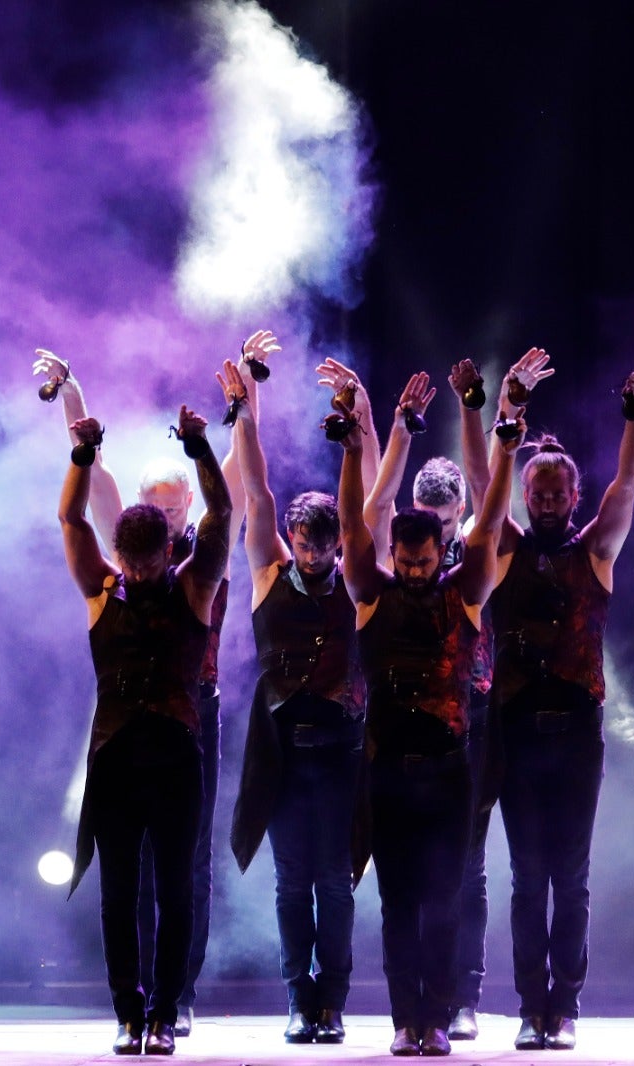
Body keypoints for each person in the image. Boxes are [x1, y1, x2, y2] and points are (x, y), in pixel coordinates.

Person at [33, 339, 268, 1035]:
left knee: (184, 871)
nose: (162, 524)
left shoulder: (199, 571)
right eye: (151, 512)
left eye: (172, 514)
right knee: (122, 881)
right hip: (121, 730)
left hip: (192, 713)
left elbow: (238, 490)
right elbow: (85, 489)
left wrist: (242, 404)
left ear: (182, 513)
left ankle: (172, 1000)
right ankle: (132, 1007)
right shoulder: (117, 561)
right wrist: (74, 406)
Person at [363, 354, 551, 1039]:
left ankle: (457, 999)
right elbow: (371, 512)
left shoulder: (471, 561)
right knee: (405, 884)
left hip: (468, 720)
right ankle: (413, 1012)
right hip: (396, 728)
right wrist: (378, 429)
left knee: (462, 870)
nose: (435, 541)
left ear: (458, 520)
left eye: (446, 527)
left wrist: (492, 415)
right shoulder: (393, 559)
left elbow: (489, 490)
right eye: (426, 528)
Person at [485, 365, 634, 1051]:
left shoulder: (597, 552)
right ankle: (531, 1005)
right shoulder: (503, 548)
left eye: (558, 491)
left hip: (578, 731)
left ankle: (567, 1005)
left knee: (571, 877)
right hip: (518, 730)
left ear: (573, 495)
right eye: (538, 491)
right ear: (526, 494)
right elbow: (481, 480)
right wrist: (500, 410)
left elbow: (630, 485)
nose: (549, 500)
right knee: (529, 876)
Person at [59, 397, 233, 1057]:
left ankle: (165, 1012)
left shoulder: (193, 588)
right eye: (130, 564)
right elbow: (71, 517)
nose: (139, 575)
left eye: (149, 563)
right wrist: (81, 456)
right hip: (115, 760)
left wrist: (199, 447)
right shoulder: (104, 590)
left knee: (177, 885)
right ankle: (129, 1014)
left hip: (177, 758)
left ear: (168, 550)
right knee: (119, 891)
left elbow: (221, 514)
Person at [223, 356, 375, 1045]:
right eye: (305, 544)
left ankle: (333, 1002)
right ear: (292, 537)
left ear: (339, 543)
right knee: (291, 884)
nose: (313, 556)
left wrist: (363, 422)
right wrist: (247, 416)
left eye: (325, 546)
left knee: (337, 884)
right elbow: (253, 492)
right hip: (283, 754)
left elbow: (370, 497)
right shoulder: (268, 573)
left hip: (341, 752)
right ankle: (297, 997)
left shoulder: (357, 579)